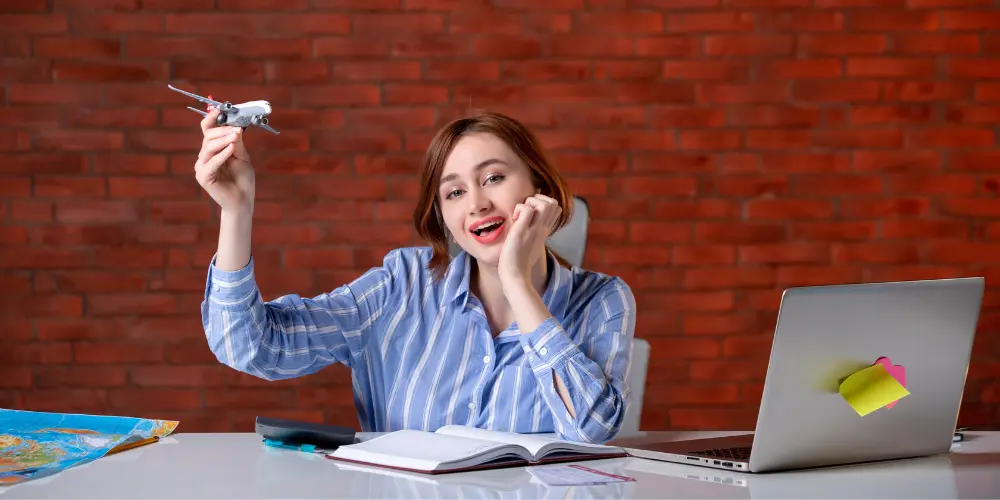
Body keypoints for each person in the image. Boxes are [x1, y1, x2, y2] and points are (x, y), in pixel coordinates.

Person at [196, 108, 637, 444]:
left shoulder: (602, 300)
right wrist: (236, 210)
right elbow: (248, 346)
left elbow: (591, 428)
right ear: (443, 215)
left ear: (538, 185)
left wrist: (517, 282)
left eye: (495, 177)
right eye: (455, 192)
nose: (477, 203)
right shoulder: (400, 286)